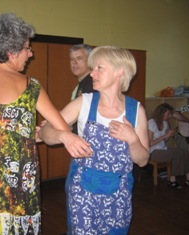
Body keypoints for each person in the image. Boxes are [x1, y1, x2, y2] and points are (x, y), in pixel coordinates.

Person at [0, 13, 90, 235]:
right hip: (16, 187)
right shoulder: (32, 87)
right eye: (27, 48)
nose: (31, 54)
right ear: (11, 53)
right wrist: (36, 135)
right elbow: (63, 128)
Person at [39, 46, 149, 234]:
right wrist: (64, 136)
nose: (92, 73)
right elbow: (46, 132)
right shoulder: (84, 102)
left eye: (99, 67)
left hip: (119, 194)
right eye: (93, 68)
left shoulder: (136, 110)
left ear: (119, 71)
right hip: (83, 190)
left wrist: (133, 140)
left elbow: (142, 160)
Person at [148, 103, 189, 189]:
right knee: (177, 154)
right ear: (161, 113)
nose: (169, 116)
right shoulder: (151, 123)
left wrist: (169, 135)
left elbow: (165, 140)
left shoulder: (165, 123)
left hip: (162, 148)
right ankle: (172, 180)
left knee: (184, 151)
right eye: (168, 114)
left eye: (170, 114)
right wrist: (165, 136)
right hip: (152, 151)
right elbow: (149, 143)